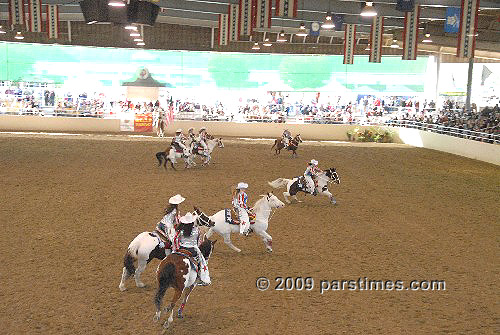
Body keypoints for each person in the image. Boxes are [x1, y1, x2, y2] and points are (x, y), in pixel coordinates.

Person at [175, 212, 211, 286]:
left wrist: (176, 249)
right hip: (192, 250)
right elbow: (199, 242)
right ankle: (202, 278)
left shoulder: (180, 230)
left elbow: (175, 240)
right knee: (202, 262)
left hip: (181, 248)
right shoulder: (197, 230)